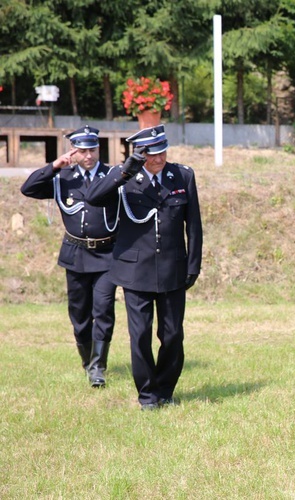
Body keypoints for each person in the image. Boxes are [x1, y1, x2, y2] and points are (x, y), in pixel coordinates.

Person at [86, 125, 203, 411]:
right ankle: (148, 396)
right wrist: (125, 169)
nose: (160, 158)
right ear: (140, 153)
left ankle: (165, 389)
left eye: (163, 151)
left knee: (173, 334)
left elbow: (195, 225)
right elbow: (93, 197)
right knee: (140, 336)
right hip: (134, 271)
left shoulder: (183, 175)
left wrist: (193, 265)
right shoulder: (124, 178)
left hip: (173, 269)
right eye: (153, 154)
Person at [20, 126, 118, 388]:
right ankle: (87, 361)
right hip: (75, 254)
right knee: (79, 313)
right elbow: (28, 188)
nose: (88, 155)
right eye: (83, 150)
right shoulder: (63, 177)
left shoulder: (112, 176)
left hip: (107, 254)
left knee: (104, 309)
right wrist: (54, 165)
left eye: (93, 149)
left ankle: (98, 367)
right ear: (73, 151)